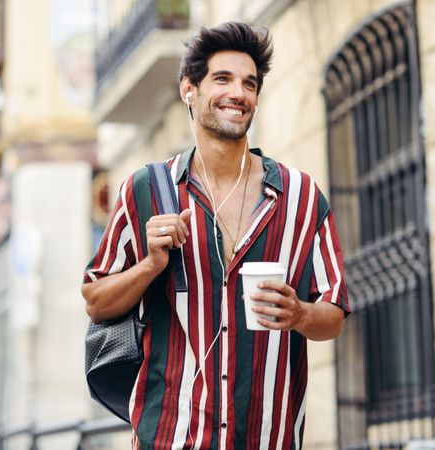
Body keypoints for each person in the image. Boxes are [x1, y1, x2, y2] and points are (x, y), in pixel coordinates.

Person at [82, 22, 350, 450]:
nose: (238, 93)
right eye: (222, 79)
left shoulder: (302, 197)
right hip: (170, 438)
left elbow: (334, 312)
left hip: (268, 439)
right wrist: (151, 265)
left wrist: (298, 314)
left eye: (249, 83)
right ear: (190, 89)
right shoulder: (145, 190)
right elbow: (95, 301)